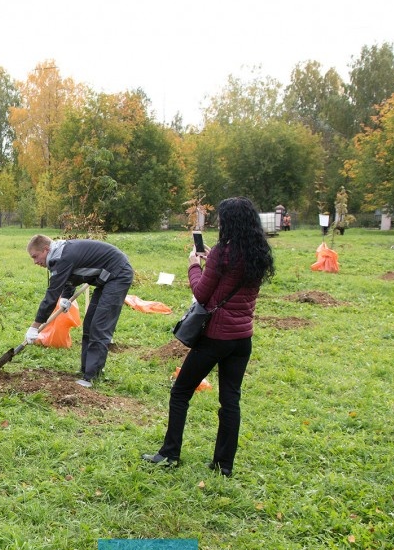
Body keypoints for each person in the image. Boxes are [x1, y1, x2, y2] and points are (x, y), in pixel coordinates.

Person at [143, 197, 274, 476]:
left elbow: (201, 293)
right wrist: (212, 262)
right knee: (230, 400)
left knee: (180, 392)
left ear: (229, 223)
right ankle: (223, 465)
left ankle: (169, 454)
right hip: (242, 338)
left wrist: (194, 265)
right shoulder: (259, 253)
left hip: (216, 336)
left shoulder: (222, 254)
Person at [26, 234, 134, 388]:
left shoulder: (64, 257)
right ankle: (86, 370)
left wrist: (34, 327)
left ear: (46, 249)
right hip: (105, 278)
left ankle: (91, 377)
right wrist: (66, 296)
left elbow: (51, 296)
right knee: (89, 324)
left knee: (100, 325)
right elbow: (70, 276)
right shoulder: (59, 256)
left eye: (35, 256)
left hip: (118, 274)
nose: (35, 262)